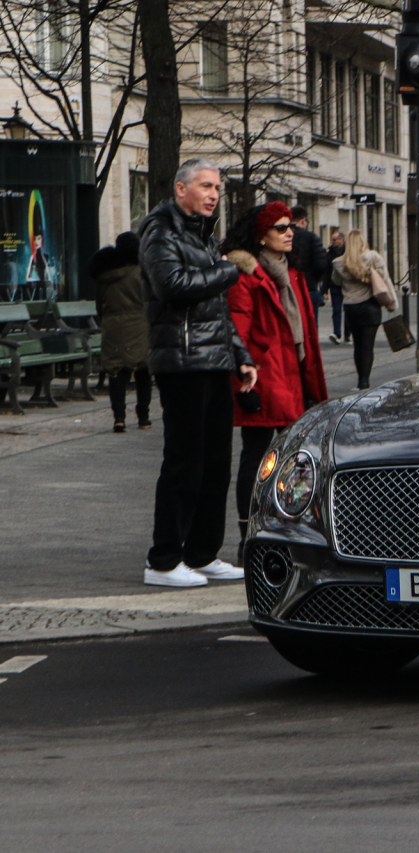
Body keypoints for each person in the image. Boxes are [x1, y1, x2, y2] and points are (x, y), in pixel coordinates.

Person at [139, 158, 258, 588]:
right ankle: (164, 560)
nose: (213, 194)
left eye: (217, 188)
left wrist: (240, 355)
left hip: (212, 360)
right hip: (182, 362)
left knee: (215, 464)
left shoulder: (201, 235)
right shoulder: (160, 231)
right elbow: (172, 286)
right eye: (206, 186)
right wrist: (229, 269)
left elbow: (218, 312)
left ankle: (202, 553)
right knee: (184, 462)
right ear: (180, 189)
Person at [223, 202, 329, 564]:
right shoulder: (246, 275)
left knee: (296, 460)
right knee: (256, 458)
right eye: (280, 227)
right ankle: (247, 536)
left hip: (293, 378)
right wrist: (243, 381)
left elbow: (307, 336)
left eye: (291, 227)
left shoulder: (293, 273)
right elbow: (238, 334)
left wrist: (313, 383)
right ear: (260, 235)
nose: (289, 232)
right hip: (264, 382)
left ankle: (288, 530)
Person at [91, 232, 151, 433]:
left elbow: (100, 305)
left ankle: (119, 418)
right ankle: (143, 416)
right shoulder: (140, 272)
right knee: (143, 371)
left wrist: (107, 320)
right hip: (139, 324)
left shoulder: (104, 274)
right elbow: (149, 300)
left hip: (113, 325)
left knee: (116, 372)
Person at [331, 228, 390, 390]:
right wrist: (391, 303)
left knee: (358, 344)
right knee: (368, 345)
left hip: (351, 307)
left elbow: (335, 281)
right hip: (370, 305)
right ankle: (365, 380)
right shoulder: (373, 258)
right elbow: (385, 280)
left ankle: (360, 380)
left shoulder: (339, 262)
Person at [289, 205, 330, 327]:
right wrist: (314, 278)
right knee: (309, 326)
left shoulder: (283, 237)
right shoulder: (311, 238)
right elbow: (321, 264)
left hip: (287, 286)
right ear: (303, 219)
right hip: (308, 286)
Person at [325, 230, 346, 344]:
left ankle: (347, 334)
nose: (332, 242)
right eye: (332, 239)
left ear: (341, 240)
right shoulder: (330, 253)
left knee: (348, 310)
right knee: (336, 310)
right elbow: (326, 272)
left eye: (335, 239)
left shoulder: (347, 252)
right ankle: (337, 333)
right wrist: (324, 289)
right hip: (334, 285)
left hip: (347, 285)